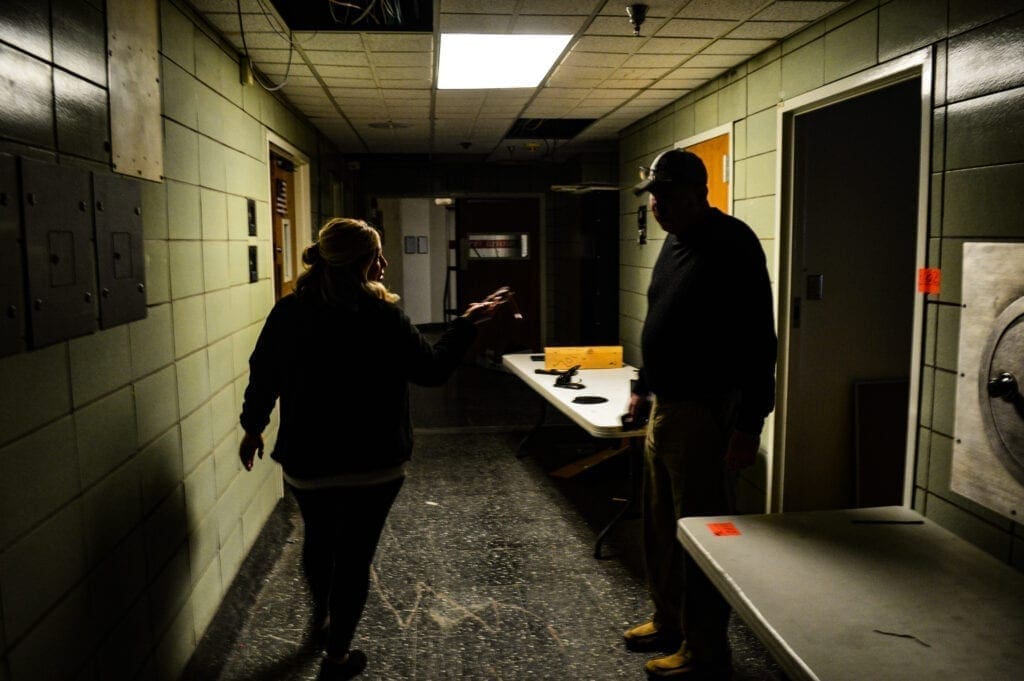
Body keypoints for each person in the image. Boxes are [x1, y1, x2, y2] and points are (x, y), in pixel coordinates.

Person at [238, 217, 507, 681]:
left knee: (319, 541)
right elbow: (431, 371)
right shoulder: (382, 315)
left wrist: (252, 426)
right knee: (355, 557)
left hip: (309, 460)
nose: (383, 263)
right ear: (364, 262)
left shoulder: (290, 312)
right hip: (374, 464)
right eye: (377, 255)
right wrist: (465, 325)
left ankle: (321, 616)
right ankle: (338, 657)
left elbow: (264, 374)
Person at [623, 150, 777, 679]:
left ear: (696, 191)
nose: (657, 205)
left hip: (706, 413)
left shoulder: (732, 243)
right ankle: (668, 620)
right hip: (666, 409)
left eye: (665, 195)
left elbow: (760, 339)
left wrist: (749, 423)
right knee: (660, 528)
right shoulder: (675, 242)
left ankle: (705, 649)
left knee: (701, 533)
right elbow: (662, 317)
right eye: (653, 196)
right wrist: (643, 386)